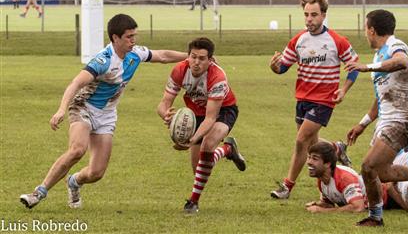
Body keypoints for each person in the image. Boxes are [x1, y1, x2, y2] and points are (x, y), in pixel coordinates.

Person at [19, 14, 189, 209]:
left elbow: (163, 56)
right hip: (83, 107)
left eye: (134, 36)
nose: (133, 41)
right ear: (115, 38)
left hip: (107, 115)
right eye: (129, 37)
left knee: (96, 173)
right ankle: (38, 193)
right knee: (77, 150)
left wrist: (189, 57)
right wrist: (61, 109)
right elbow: (76, 83)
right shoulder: (103, 61)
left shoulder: (135, 53)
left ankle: (74, 182)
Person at [344, 9, 408, 226]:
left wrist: (366, 67)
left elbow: (402, 62)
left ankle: (375, 217)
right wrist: (362, 124)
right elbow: (381, 98)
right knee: (381, 174)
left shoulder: (396, 46)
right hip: (386, 121)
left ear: (371, 30)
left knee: (368, 167)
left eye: (366, 29)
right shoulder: (379, 54)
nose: (366, 33)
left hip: (403, 120)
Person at [269, 0, 359, 200]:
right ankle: (336, 148)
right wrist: (274, 67)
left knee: (301, 141)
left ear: (324, 15)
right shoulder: (298, 40)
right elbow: (283, 68)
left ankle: (287, 186)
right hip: (302, 99)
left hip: (324, 100)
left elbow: (353, 66)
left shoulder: (337, 41)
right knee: (312, 145)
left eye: (314, 15)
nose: (310, 19)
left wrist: (344, 89)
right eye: (306, 15)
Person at [157, 37, 246, 213]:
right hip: (195, 113)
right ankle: (227, 150)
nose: (196, 62)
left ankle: (193, 202)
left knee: (207, 145)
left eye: (202, 58)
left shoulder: (217, 77)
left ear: (210, 60)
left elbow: (211, 118)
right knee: (199, 167)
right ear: (188, 56)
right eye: (193, 56)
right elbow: (163, 104)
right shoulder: (179, 70)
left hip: (224, 110)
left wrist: (192, 140)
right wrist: (166, 115)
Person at [305, 141, 366, 213]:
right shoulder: (322, 178)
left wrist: (322, 210)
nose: (309, 162)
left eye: (315, 159)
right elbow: (329, 204)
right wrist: (318, 205)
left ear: (327, 164)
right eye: (309, 157)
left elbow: (358, 207)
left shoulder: (344, 178)